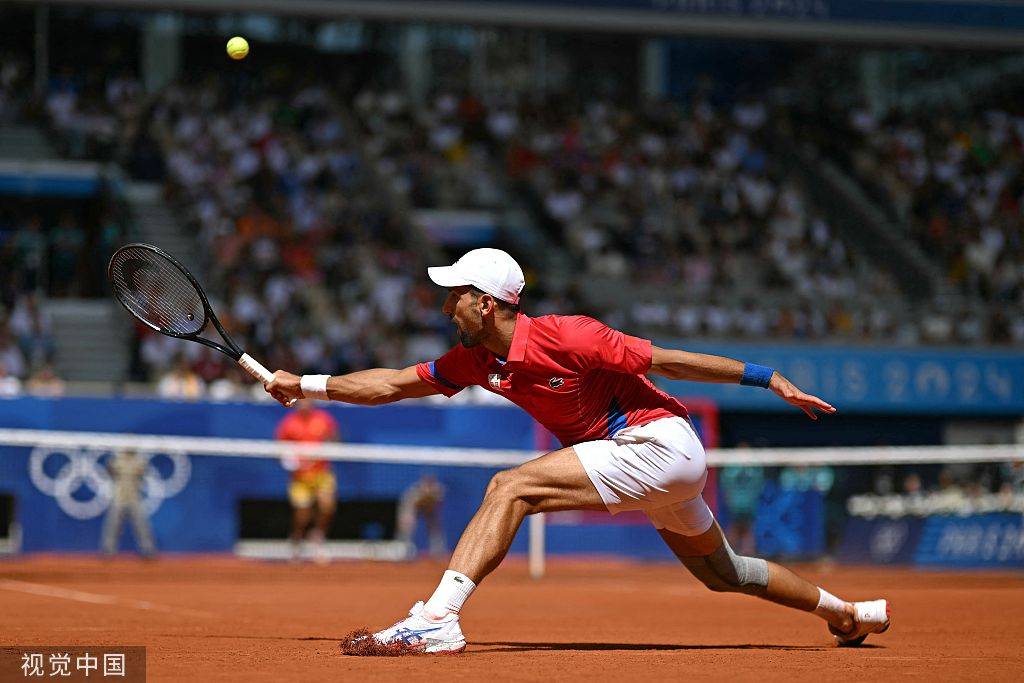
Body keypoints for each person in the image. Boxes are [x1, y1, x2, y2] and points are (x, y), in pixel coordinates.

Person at [266, 248, 889, 654]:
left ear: (486, 302)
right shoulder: (474, 360)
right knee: (724, 574)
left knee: (509, 486)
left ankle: (438, 618)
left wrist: (766, 377)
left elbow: (669, 360)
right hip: (649, 461)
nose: (443, 302)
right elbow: (394, 384)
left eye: (453, 292)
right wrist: (308, 386)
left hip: (659, 441)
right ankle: (847, 612)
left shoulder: (570, 335)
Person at [275, 399, 340, 563]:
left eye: (307, 401)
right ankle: (296, 542)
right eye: (301, 402)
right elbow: (281, 449)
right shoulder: (288, 423)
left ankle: (318, 539)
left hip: (321, 474)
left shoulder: (324, 419)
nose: (305, 404)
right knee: (302, 516)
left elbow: (334, 439)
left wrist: (325, 450)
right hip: (300, 478)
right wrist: (294, 462)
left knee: (327, 506)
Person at [101, 449, 157, 557]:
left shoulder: (139, 461)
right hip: (119, 498)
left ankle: (148, 549)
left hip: (134, 497)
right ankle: (108, 550)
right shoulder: (117, 461)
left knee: (141, 525)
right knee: (113, 525)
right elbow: (109, 471)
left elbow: (144, 471)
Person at [396, 474, 447, 559]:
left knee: (434, 528)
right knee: (407, 528)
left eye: (430, 484)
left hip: (429, 508)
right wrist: (408, 519)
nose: (428, 486)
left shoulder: (438, 490)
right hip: (413, 508)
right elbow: (408, 507)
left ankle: (438, 552)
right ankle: (403, 551)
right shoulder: (413, 492)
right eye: (426, 484)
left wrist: (430, 513)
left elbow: (437, 506)